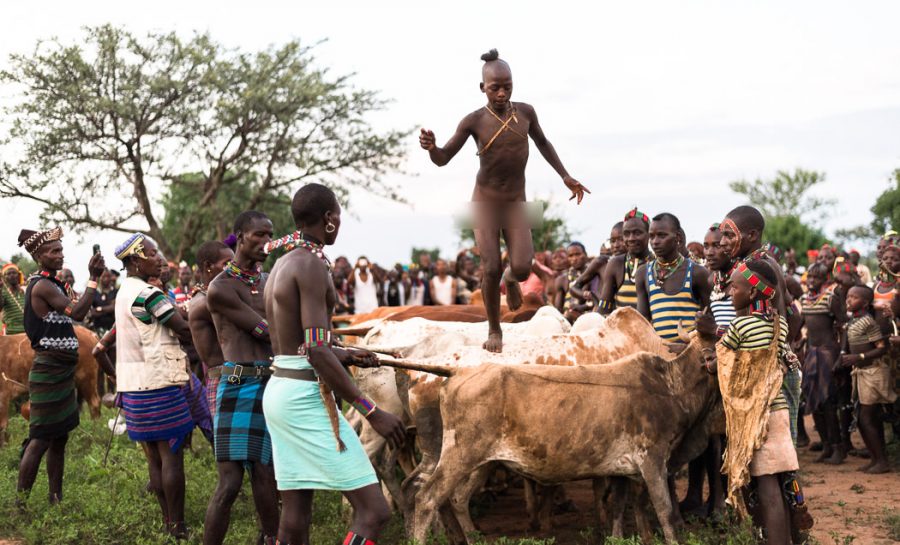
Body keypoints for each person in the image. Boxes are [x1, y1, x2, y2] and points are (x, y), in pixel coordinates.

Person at [262, 183, 405, 545]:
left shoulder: (282, 263)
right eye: (338, 215)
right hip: (303, 398)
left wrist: (344, 351)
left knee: (296, 513)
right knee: (375, 511)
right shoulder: (310, 265)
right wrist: (372, 412)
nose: (339, 223)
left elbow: (299, 344)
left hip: (280, 390)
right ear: (328, 219)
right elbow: (315, 351)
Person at [419, 49, 588, 352]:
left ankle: (512, 281)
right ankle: (494, 329)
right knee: (491, 266)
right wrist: (432, 147)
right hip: (484, 204)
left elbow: (543, 143)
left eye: (507, 86)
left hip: (516, 204)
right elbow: (443, 159)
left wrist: (565, 175)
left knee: (523, 267)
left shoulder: (526, 112)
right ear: (481, 87)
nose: (501, 92)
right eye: (494, 87)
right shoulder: (473, 121)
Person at [717, 259, 809, 545]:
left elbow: (722, 362)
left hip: (757, 418)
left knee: (767, 486)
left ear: (754, 293)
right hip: (779, 411)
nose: (731, 292)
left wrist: (712, 351)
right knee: (782, 483)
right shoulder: (780, 325)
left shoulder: (740, 326)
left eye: (735, 287)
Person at [15, 227, 107, 506]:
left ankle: (56, 499)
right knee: (40, 437)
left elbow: (80, 308)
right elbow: (78, 313)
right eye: (53, 251)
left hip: (62, 371)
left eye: (60, 250)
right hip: (48, 370)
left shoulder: (53, 283)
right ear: (38, 255)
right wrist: (93, 279)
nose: (59, 254)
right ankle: (21, 504)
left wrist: (91, 283)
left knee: (59, 438)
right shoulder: (42, 285)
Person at [112, 233, 194, 538]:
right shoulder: (149, 294)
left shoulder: (125, 292)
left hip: (133, 386)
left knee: (155, 457)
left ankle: (167, 521)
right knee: (171, 456)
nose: (159, 258)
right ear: (135, 260)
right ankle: (179, 526)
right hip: (159, 382)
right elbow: (183, 330)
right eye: (152, 253)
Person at [205, 211, 279, 545]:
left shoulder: (267, 281)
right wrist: (323, 347)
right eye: (259, 235)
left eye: (270, 236)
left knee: (267, 474)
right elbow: (264, 331)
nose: (266, 243)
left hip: (272, 381)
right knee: (230, 483)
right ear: (240, 236)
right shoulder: (220, 287)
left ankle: (271, 538)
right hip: (239, 383)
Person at [719, 205, 803, 442]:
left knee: (771, 444)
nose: (722, 241)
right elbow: (792, 312)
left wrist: (777, 350)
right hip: (776, 365)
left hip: (768, 371)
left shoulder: (754, 269)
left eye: (729, 235)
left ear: (752, 235)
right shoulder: (763, 264)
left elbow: (756, 324)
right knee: (778, 443)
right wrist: (786, 347)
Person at [841, 285, 895, 474]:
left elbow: (881, 348)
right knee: (866, 418)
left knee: (866, 418)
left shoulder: (868, 322)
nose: (848, 300)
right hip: (861, 373)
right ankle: (876, 459)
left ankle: (881, 460)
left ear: (864, 302)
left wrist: (859, 358)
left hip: (873, 372)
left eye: (853, 297)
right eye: (848, 296)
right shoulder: (853, 321)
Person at [799, 262, 848, 464]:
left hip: (828, 353)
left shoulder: (830, 298)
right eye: (809, 277)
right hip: (812, 353)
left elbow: (844, 326)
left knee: (828, 402)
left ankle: (838, 447)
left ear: (825, 279)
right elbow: (800, 324)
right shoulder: (804, 299)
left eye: (816, 278)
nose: (811, 281)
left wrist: (842, 353)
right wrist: (797, 340)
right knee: (814, 402)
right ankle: (826, 445)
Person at [635, 213, 710, 341]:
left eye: (662, 235)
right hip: (659, 354)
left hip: (690, 354)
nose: (655, 242)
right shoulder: (643, 273)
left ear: (678, 237)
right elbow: (643, 324)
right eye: (651, 236)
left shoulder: (697, 273)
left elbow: (708, 320)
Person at [186, 241, 234, 418]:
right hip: (224, 379)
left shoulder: (215, 296)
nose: (233, 269)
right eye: (227, 264)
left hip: (231, 378)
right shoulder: (204, 302)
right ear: (208, 267)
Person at [598, 209, 653, 315]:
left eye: (637, 233)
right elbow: (604, 307)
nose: (631, 238)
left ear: (649, 234)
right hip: (620, 329)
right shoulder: (616, 264)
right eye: (626, 234)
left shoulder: (658, 265)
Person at [569, 222, 625, 310]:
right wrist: (590, 296)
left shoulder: (638, 265)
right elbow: (574, 288)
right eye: (613, 241)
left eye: (621, 240)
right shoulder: (602, 262)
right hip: (603, 316)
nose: (616, 245)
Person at [89, 268, 117, 395]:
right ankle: (101, 394)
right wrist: (107, 309)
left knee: (111, 362)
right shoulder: (94, 293)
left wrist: (99, 309)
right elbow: (91, 312)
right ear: (100, 278)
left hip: (112, 331)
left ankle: (112, 392)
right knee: (99, 365)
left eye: (108, 277)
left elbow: (114, 308)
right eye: (103, 277)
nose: (106, 279)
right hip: (98, 331)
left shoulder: (115, 292)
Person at [555, 242, 590, 322]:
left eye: (578, 254)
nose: (574, 258)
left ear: (585, 255)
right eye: (571, 256)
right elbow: (558, 309)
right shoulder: (562, 279)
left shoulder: (594, 275)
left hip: (588, 318)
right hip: (567, 320)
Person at [1, 262, 26, 335]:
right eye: (8, 274)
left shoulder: (26, 290)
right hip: (12, 333)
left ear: (19, 275)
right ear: (4, 278)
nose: (11, 275)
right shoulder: (3, 293)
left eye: (14, 273)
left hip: (29, 331)